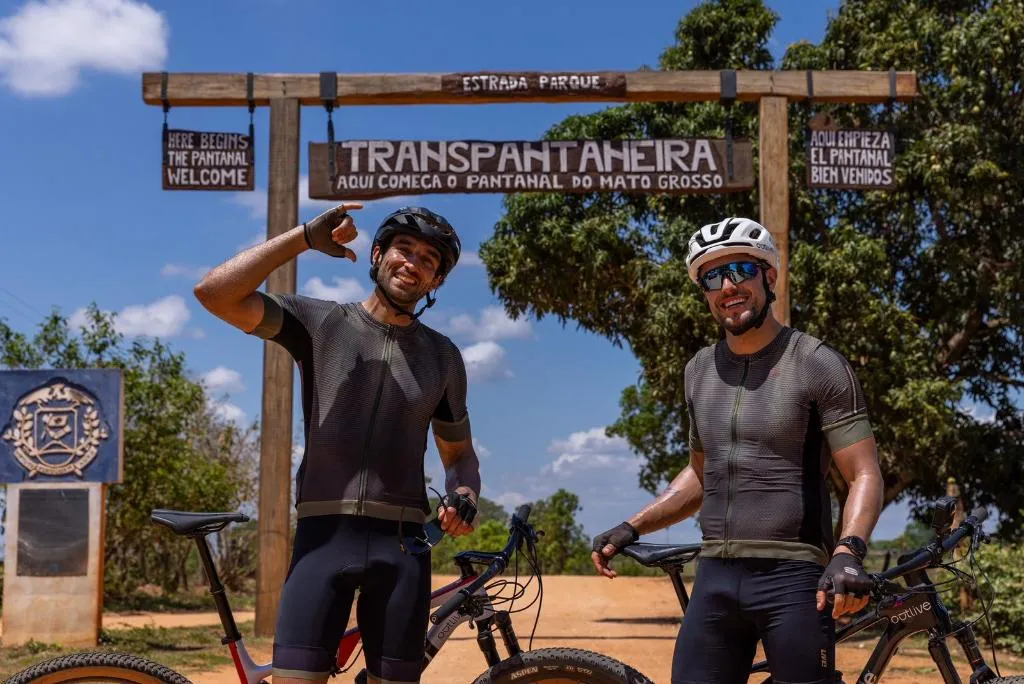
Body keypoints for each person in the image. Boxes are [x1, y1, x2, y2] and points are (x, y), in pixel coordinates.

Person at [194, 202, 482, 684]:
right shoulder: (320, 324)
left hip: (404, 548)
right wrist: (303, 237)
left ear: (435, 283)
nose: (412, 263)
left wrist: (465, 496)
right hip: (323, 540)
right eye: (403, 249)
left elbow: (460, 456)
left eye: (429, 261)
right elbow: (216, 293)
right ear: (376, 254)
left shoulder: (443, 358)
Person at [590, 217, 884, 684]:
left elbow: (863, 474)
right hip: (716, 576)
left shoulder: (817, 362)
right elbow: (701, 475)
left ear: (769, 277)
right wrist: (633, 526)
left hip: (794, 577)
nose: (728, 286)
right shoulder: (698, 371)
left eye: (742, 269)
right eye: (712, 276)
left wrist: (848, 551)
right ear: (704, 291)